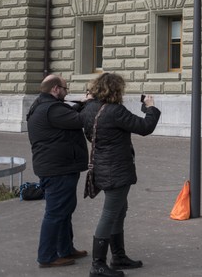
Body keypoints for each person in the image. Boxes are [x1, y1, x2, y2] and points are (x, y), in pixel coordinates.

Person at [81, 73, 160, 276]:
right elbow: (145, 127)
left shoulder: (89, 108)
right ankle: (98, 265)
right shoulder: (115, 111)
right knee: (109, 214)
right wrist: (150, 107)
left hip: (101, 166)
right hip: (115, 169)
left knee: (119, 210)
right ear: (116, 90)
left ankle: (119, 257)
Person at [27, 75, 89, 268]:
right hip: (58, 169)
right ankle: (46, 256)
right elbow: (80, 120)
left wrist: (82, 103)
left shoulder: (42, 105)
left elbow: (69, 116)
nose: (67, 91)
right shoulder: (52, 109)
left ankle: (65, 248)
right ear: (55, 89)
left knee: (64, 210)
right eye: (65, 88)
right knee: (55, 213)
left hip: (56, 167)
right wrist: (92, 103)